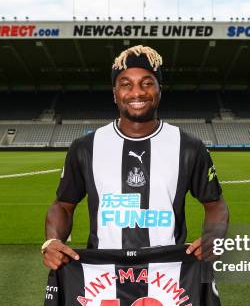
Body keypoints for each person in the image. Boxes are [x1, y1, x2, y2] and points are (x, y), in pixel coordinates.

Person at [41, 45, 229, 265]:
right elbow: (63, 205)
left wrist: (214, 238)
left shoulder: (189, 147)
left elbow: (215, 204)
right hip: (102, 278)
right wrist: (52, 241)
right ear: (115, 93)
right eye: (126, 84)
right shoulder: (85, 147)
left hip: (169, 276)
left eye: (147, 83)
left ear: (160, 90)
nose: (137, 92)